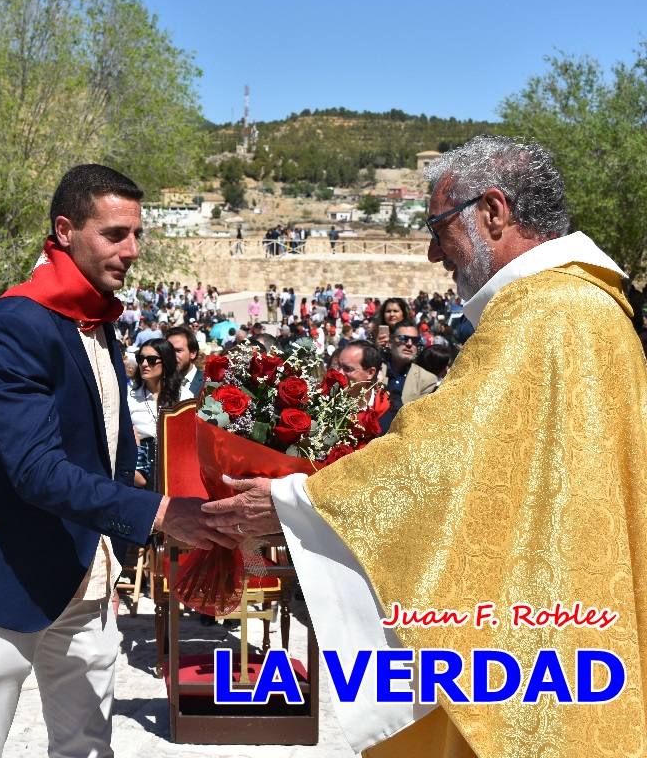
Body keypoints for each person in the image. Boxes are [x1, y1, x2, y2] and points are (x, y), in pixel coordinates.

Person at [203, 136, 647, 756]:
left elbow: (440, 456)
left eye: (440, 227)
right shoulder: (585, 305)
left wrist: (292, 499)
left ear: (493, 212)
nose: (436, 252)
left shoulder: (543, 312)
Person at [0, 164, 234, 758]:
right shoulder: (15, 325)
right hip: (8, 575)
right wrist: (157, 512)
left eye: (136, 234)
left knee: (87, 747)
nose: (132, 250)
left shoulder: (99, 321)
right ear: (66, 230)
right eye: (115, 233)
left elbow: (103, 447)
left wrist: (116, 552)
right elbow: (34, 468)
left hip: (89, 577)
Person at [127, 337, 190, 490]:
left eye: (152, 360)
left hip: (176, 468)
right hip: (141, 470)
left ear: (166, 361)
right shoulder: (129, 396)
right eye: (140, 359)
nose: (144, 364)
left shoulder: (185, 397)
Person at [378, 320, 420, 433]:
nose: (409, 344)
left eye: (415, 340)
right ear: (390, 342)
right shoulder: (374, 369)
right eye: (403, 338)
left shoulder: (426, 379)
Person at [165, 325, 203, 397]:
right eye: (169, 350)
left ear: (192, 353)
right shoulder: (160, 382)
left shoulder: (208, 384)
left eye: (178, 351)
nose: (172, 355)